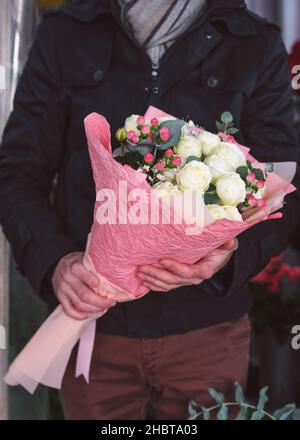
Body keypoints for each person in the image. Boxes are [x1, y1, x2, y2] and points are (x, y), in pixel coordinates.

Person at [0, 0, 299, 420]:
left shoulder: (253, 42)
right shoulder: (65, 32)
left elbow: (283, 190)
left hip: (206, 334)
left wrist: (227, 257)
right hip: (94, 327)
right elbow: (17, 174)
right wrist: (56, 262)